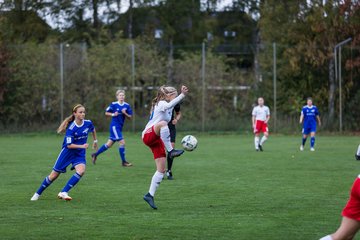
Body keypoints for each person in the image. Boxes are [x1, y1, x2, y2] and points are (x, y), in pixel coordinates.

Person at [30, 104, 98, 201]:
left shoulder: (88, 123)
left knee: (81, 171)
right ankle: (37, 194)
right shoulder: (71, 128)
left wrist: (95, 141)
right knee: (53, 176)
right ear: (75, 113)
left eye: (84, 112)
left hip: (79, 154)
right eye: (80, 112)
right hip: (67, 153)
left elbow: (93, 129)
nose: (83, 114)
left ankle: (64, 192)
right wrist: (82, 146)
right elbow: (69, 145)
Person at [142, 85, 188, 209]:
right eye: (174, 93)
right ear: (167, 95)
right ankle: (171, 151)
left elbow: (174, 104)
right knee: (162, 123)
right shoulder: (161, 103)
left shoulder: (169, 105)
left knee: (161, 170)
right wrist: (182, 94)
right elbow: (169, 105)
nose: (175, 95)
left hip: (156, 139)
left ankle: (149, 195)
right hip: (148, 135)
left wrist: (182, 95)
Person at [91, 90, 133, 167]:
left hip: (119, 127)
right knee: (122, 142)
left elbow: (130, 117)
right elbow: (106, 113)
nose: (121, 97)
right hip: (114, 127)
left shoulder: (127, 105)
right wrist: (113, 114)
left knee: (108, 144)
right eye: (120, 95)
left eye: (123, 95)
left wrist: (125, 113)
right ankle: (124, 162)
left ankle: (95, 154)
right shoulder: (113, 104)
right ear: (117, 96)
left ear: (124, 96)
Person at [166, 103, 181, 180]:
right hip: (161, 128)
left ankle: (169, 170)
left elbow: (178, 113)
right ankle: (160, 171)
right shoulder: (161, 102)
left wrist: (176, 119)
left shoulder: (175, 102)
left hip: (171, 128)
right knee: (161, 150)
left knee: (171, 150)